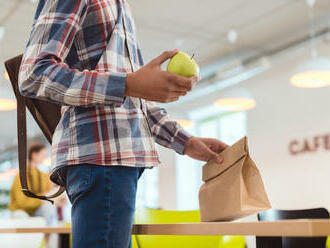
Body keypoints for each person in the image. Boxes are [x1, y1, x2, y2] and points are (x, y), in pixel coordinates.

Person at [18, 0, 228, 247]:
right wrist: (127, 84)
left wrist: (186, 142)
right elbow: (34, 73)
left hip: (116, 162)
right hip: (101, 158)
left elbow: (134, 97)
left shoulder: (120, 5)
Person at [9, 143, 61, 247]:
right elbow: (22, 202)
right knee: (21, 216)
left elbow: (48, 198)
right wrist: (42, 199)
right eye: (43, 154)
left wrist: (56, 200)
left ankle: (50, 246)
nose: (45, 157)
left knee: (50, 208)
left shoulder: (44, 176)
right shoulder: (20, 175)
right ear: (34, 155)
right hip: (21, 211)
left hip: (37, 211)